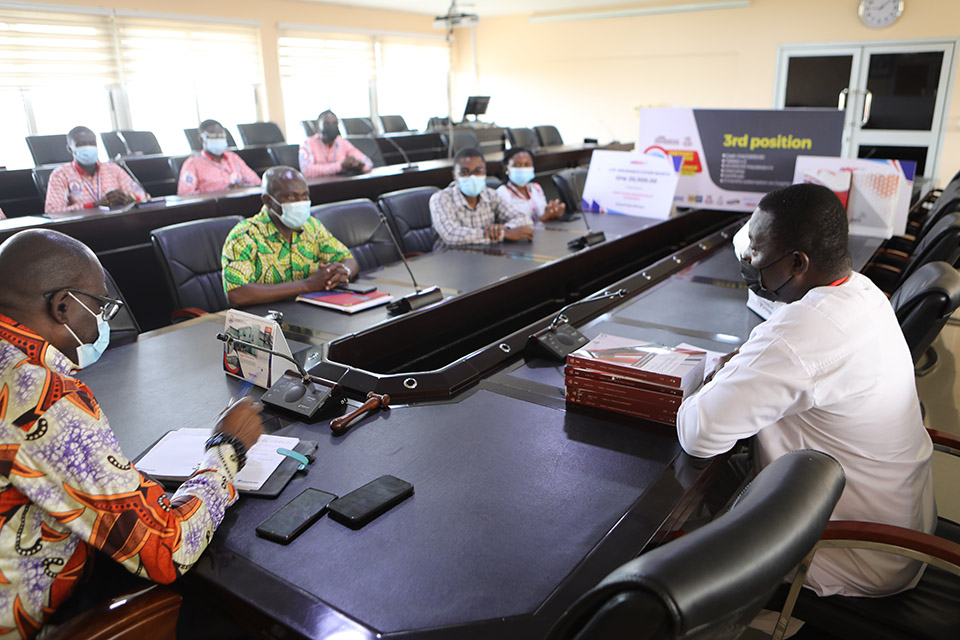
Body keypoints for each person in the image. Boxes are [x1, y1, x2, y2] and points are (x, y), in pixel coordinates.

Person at [676, 183, 935, 598]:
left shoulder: (799, 337)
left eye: (757, 252)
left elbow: (699, 433)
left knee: (672, 561)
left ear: (797, 262)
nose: (748, 260)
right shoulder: (862, 291)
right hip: (902, 533)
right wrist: (749, 362)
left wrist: (715, 375)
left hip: (851, 552)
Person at [0, 229, 263, 637]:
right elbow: (167, 548)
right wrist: (226, 449)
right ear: (63, 307)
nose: (103, 323)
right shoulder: (40, 395)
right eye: (101, 308)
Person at [221, 166, 360, 307]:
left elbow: (348, 259)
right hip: (265, 322)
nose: (300, 202)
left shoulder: (311, 226)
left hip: (311, 314)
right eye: (291, 196)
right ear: (268, 201)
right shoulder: (244, 235)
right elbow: (236, 294)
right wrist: (307, 285)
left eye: (305, 196)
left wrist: (342, 273)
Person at [429, 147, 534, 247]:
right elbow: (451, 235)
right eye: (464, 172)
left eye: (478, 171)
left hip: (488, 257)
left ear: (485, 173)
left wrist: (507, 228)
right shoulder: (440, 199)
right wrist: (503, 234)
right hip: (450, 260)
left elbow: (525, 220)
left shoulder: (491, 195)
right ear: (454, 175)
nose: (472, 176)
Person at [44, 126, 148, 216]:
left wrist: (129, 198)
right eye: (81, 144)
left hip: (117, 224)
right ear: (70, 149)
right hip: (81, 229)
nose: (88, 147)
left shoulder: (112, 169)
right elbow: (53, 212)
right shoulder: (60, 174)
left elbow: (145, 197)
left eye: (92, 143)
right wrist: (94, 205)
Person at [177, 119, 260, 195]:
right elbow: (186, 195)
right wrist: (222, 190)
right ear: (202, 140)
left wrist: (241, 187)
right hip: (211, 208)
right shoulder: (192, 163)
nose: (218, 139)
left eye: (220, 136)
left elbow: (256, 182)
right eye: (213, 136)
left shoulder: (233, 157)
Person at [495, 147, 565, 222]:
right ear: (507, 169)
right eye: (518, 165)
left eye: (527, 164)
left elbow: (544, 215)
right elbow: (513, 226)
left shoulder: (536, 188)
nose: (523, 168)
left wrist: (552, 213)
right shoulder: (502, 193)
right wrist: (543, 218)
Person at [299, 110, 373, 178]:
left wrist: (359, 165)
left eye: (334, 123)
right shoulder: (308, 144)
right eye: (327, 123)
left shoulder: (342, 142)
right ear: (318, 126)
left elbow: (367, 162)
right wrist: (341, 166)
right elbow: (306, 170)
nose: (331, 127)